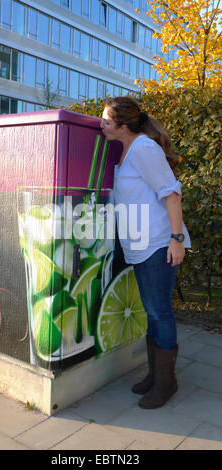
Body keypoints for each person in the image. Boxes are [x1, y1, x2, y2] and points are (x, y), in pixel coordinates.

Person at [100, 96, 191, 409]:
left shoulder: (144, 149)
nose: (101, 125)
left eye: (106, 121)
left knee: (159, 311)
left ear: (123, 126)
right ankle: (156, 376)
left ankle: (166, 384)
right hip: (139, 245)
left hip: (158, 243)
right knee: (152, 311)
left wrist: (176, 239)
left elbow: (171, 193)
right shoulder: (127, 150)